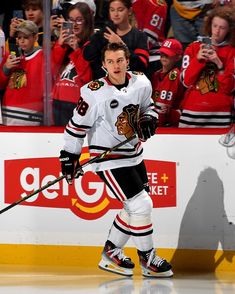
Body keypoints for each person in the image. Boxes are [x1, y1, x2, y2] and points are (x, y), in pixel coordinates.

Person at [59, 42, 173, 278]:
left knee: (133, 207)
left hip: (133, 154)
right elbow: (76, 128)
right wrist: (69, 156)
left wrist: (150, 119)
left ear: (127, 61)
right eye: (110, 62)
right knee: (142, 205)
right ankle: (148, 259)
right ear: (103, 65)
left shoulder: (141, 82)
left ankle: (111, 253)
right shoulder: (93, 92)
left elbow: (148, 106)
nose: (116, 65)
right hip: (108, 157)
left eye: (119, 60)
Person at [179, 5, 235, 128]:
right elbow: (185, 82)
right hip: (191, 113)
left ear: (229, 30)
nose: (217, 31)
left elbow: (229, 89)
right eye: (215, 26)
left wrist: (219, 65)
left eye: (222, 28)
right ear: (209, 25)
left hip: (221, 115)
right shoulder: (193, 47)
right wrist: (198, 60)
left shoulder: (232, 52)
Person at [83, 0, 149, 79]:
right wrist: (101, 36)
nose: (116, 14)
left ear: (130, 11)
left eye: (120, 10)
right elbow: (87, 55)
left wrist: (121, 44)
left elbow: (141, 66)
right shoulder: (103, 33)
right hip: (103, 85)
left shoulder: (140, 36)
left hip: (129, 85)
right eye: (112, 10)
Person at [51, 2, 94, 126]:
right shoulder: (63, 47)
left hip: (77, 105)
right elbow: (51, 70)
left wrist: (76, 50)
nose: (74, 24)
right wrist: (60, 45)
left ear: (87, 22)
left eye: (79, 20)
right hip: (56, 102)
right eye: (71, 20)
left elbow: (87, 78)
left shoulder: (91, 46)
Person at [0, 20, 44, 125]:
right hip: (7, 115)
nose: (22, 41)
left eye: (26, 37)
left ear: (35, 38)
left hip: (30, 117)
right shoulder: (11, 56)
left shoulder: (43, 56)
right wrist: (6, 68)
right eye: (19, 37)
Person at [152, 38, 185, 127]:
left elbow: (164, 107)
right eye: (162, 53)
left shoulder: (174, 75)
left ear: (178, 57)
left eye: (168, 54)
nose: (163, 56)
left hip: (167, 124)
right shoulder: (156, 74)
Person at [132, 0, 168, 79]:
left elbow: (149, 40)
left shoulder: (156, 3)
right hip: (131, 58)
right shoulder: (122, 4)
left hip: (152, 59)